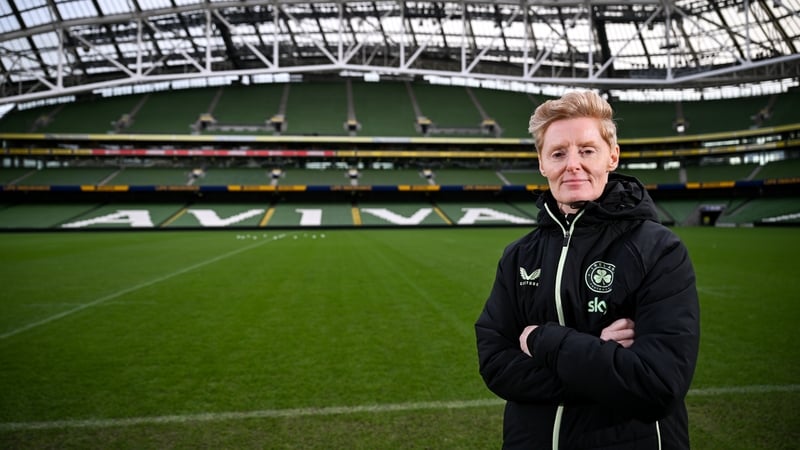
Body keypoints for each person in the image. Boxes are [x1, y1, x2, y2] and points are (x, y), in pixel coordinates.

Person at [475, 90, 700, 449]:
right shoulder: (518, 256)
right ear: (542, 163)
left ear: (612, 156)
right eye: (559, 153)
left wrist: (541, 340)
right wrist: (602, 363)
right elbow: (495, 364)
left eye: (587, 150)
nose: (573, 164)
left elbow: (657, 385)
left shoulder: (659, 250)